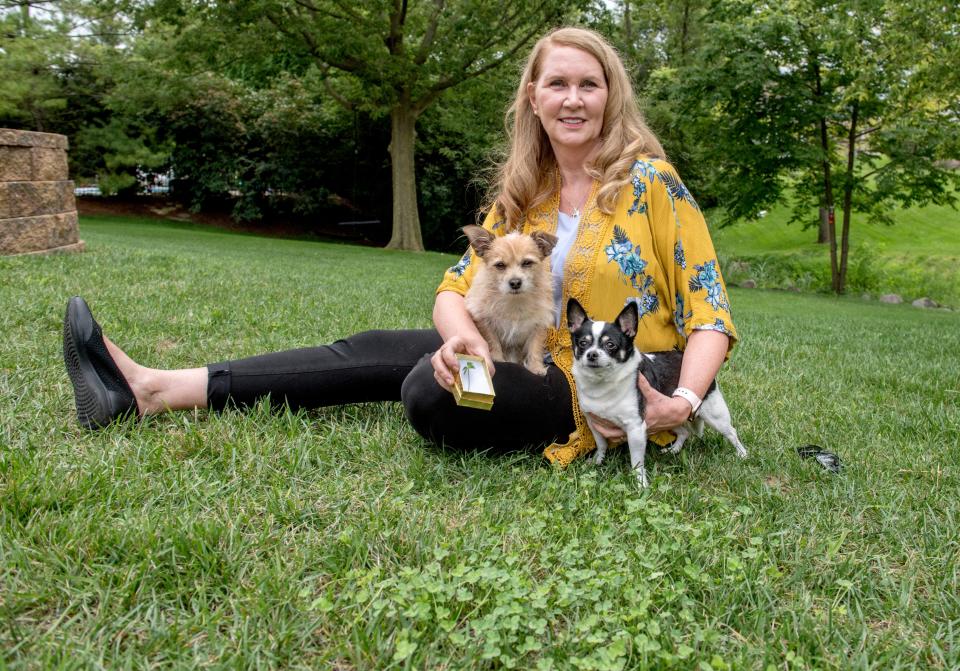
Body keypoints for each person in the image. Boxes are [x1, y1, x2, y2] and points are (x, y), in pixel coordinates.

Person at [63, 26, 738, 466]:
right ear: (533, 97)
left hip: (604, 379)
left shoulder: (652, 183)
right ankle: (154, 389)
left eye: (588, 84)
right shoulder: (521, 195)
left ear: (610, 97)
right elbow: (453, 287)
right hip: (515, 350)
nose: (572, 98)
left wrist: (681, 398)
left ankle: (467, 386)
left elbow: (709, 310)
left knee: (429, 391)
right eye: (557, 83)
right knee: (375, 347)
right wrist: (460, 337)